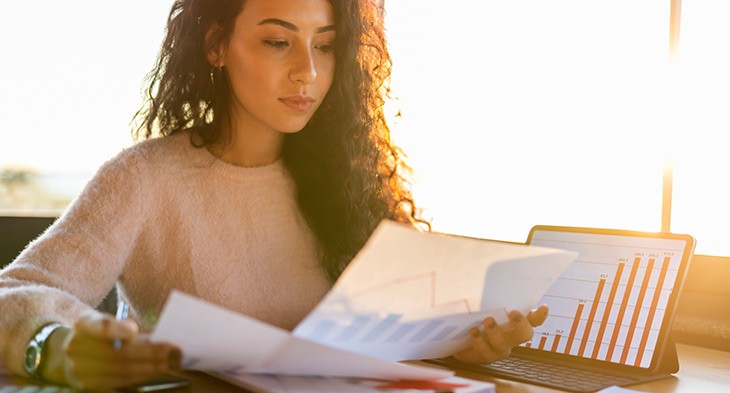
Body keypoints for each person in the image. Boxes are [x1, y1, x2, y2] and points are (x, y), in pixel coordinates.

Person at [0, 0, 548, 391]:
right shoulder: (144, 179)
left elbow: (382, 339)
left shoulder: (348, 183)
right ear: (217, 44)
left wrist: (459, 342)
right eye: (278, 41)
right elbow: (14, 293)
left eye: (326, 45)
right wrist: (53, 344)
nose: (307, 71)